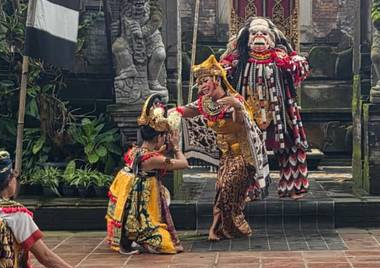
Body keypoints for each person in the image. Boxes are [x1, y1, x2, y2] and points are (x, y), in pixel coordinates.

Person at [177, 55, 269, 241]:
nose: (202, 86)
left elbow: (241, 122)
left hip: (243, 155)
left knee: (228, 188)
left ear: (217, 79)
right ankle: (218, 229)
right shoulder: (205, 103)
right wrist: (171, 113)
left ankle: (225, 227)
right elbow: (188, 110)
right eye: (199, 83)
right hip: (225, 156)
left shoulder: (234, 100)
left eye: (205, 81)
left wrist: (236, 108)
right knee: (221, 189)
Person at [223, 16, 309, 198]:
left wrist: (288, 63)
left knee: (291, 146)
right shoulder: (238, 58)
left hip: (280, 111)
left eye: (263, 33)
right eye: (254, 33)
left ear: (272, 37)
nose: (258, 37)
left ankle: (293, 186)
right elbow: (221, 73)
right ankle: (249, 189)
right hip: (247, 111)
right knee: (247, 149)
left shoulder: (282, 56)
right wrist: (222, 70)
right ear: (247, 38)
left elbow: (302, 67)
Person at [106, 94, 187, 254]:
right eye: (164, 137)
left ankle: (133, 235)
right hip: (143, 211)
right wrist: (176, 147)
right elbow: (184, 164)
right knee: (168, 247)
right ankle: (144, 237)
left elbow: (159, 155)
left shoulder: (135, 151)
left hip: (138, 205)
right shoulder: (152, 159)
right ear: (158, 138)